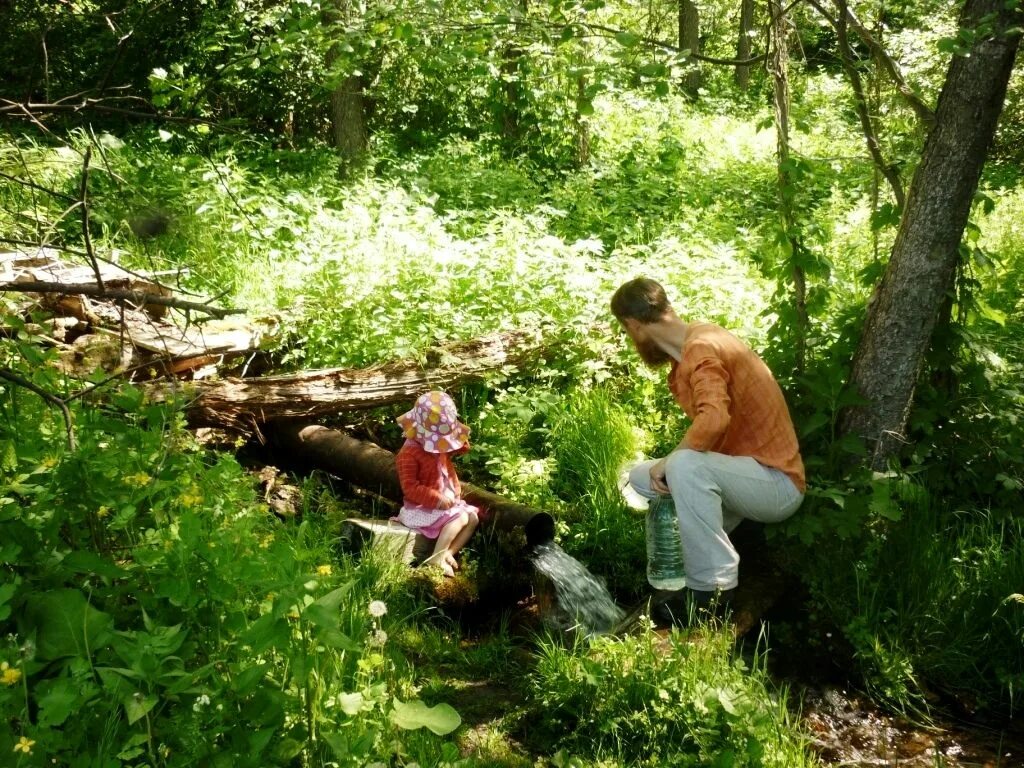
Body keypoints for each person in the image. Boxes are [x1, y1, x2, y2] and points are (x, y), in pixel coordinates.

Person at [611, 277, 805, 624]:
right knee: (636, 478)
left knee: (682, 465)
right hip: (745, 475)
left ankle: (710, 595)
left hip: (778, 485)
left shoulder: (701, 346)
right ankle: (694, 549)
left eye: (628, 333)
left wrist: (671, 463)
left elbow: (714, 419)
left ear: (634, 325)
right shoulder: (694, 345)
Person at [394, 391, 480, 577]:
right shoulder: (408, 454)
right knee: (461, 518)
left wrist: (459, 440)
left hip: (443, 506)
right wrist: (438, 499)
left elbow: (454, 449)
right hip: (420, 509)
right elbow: (410, 488)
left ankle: (447, 553)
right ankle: (436, 557)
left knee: (472, 518)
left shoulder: (435, 446)